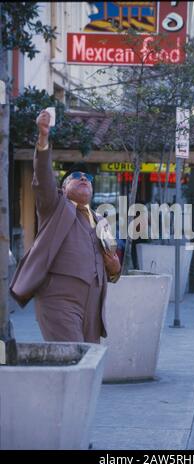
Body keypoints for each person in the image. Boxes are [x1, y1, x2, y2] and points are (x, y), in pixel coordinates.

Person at [10, 110, 121, 343]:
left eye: (88, 178)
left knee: (87, 366)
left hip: (94, 305)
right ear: (63, 185)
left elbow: (110, 262)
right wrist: (42, 139)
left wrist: (115, 269)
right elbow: (42, 179)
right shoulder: (55, 206)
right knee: (71, 355)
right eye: (77, 176)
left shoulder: (100, 220)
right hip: (59, 299)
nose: (84, 179)